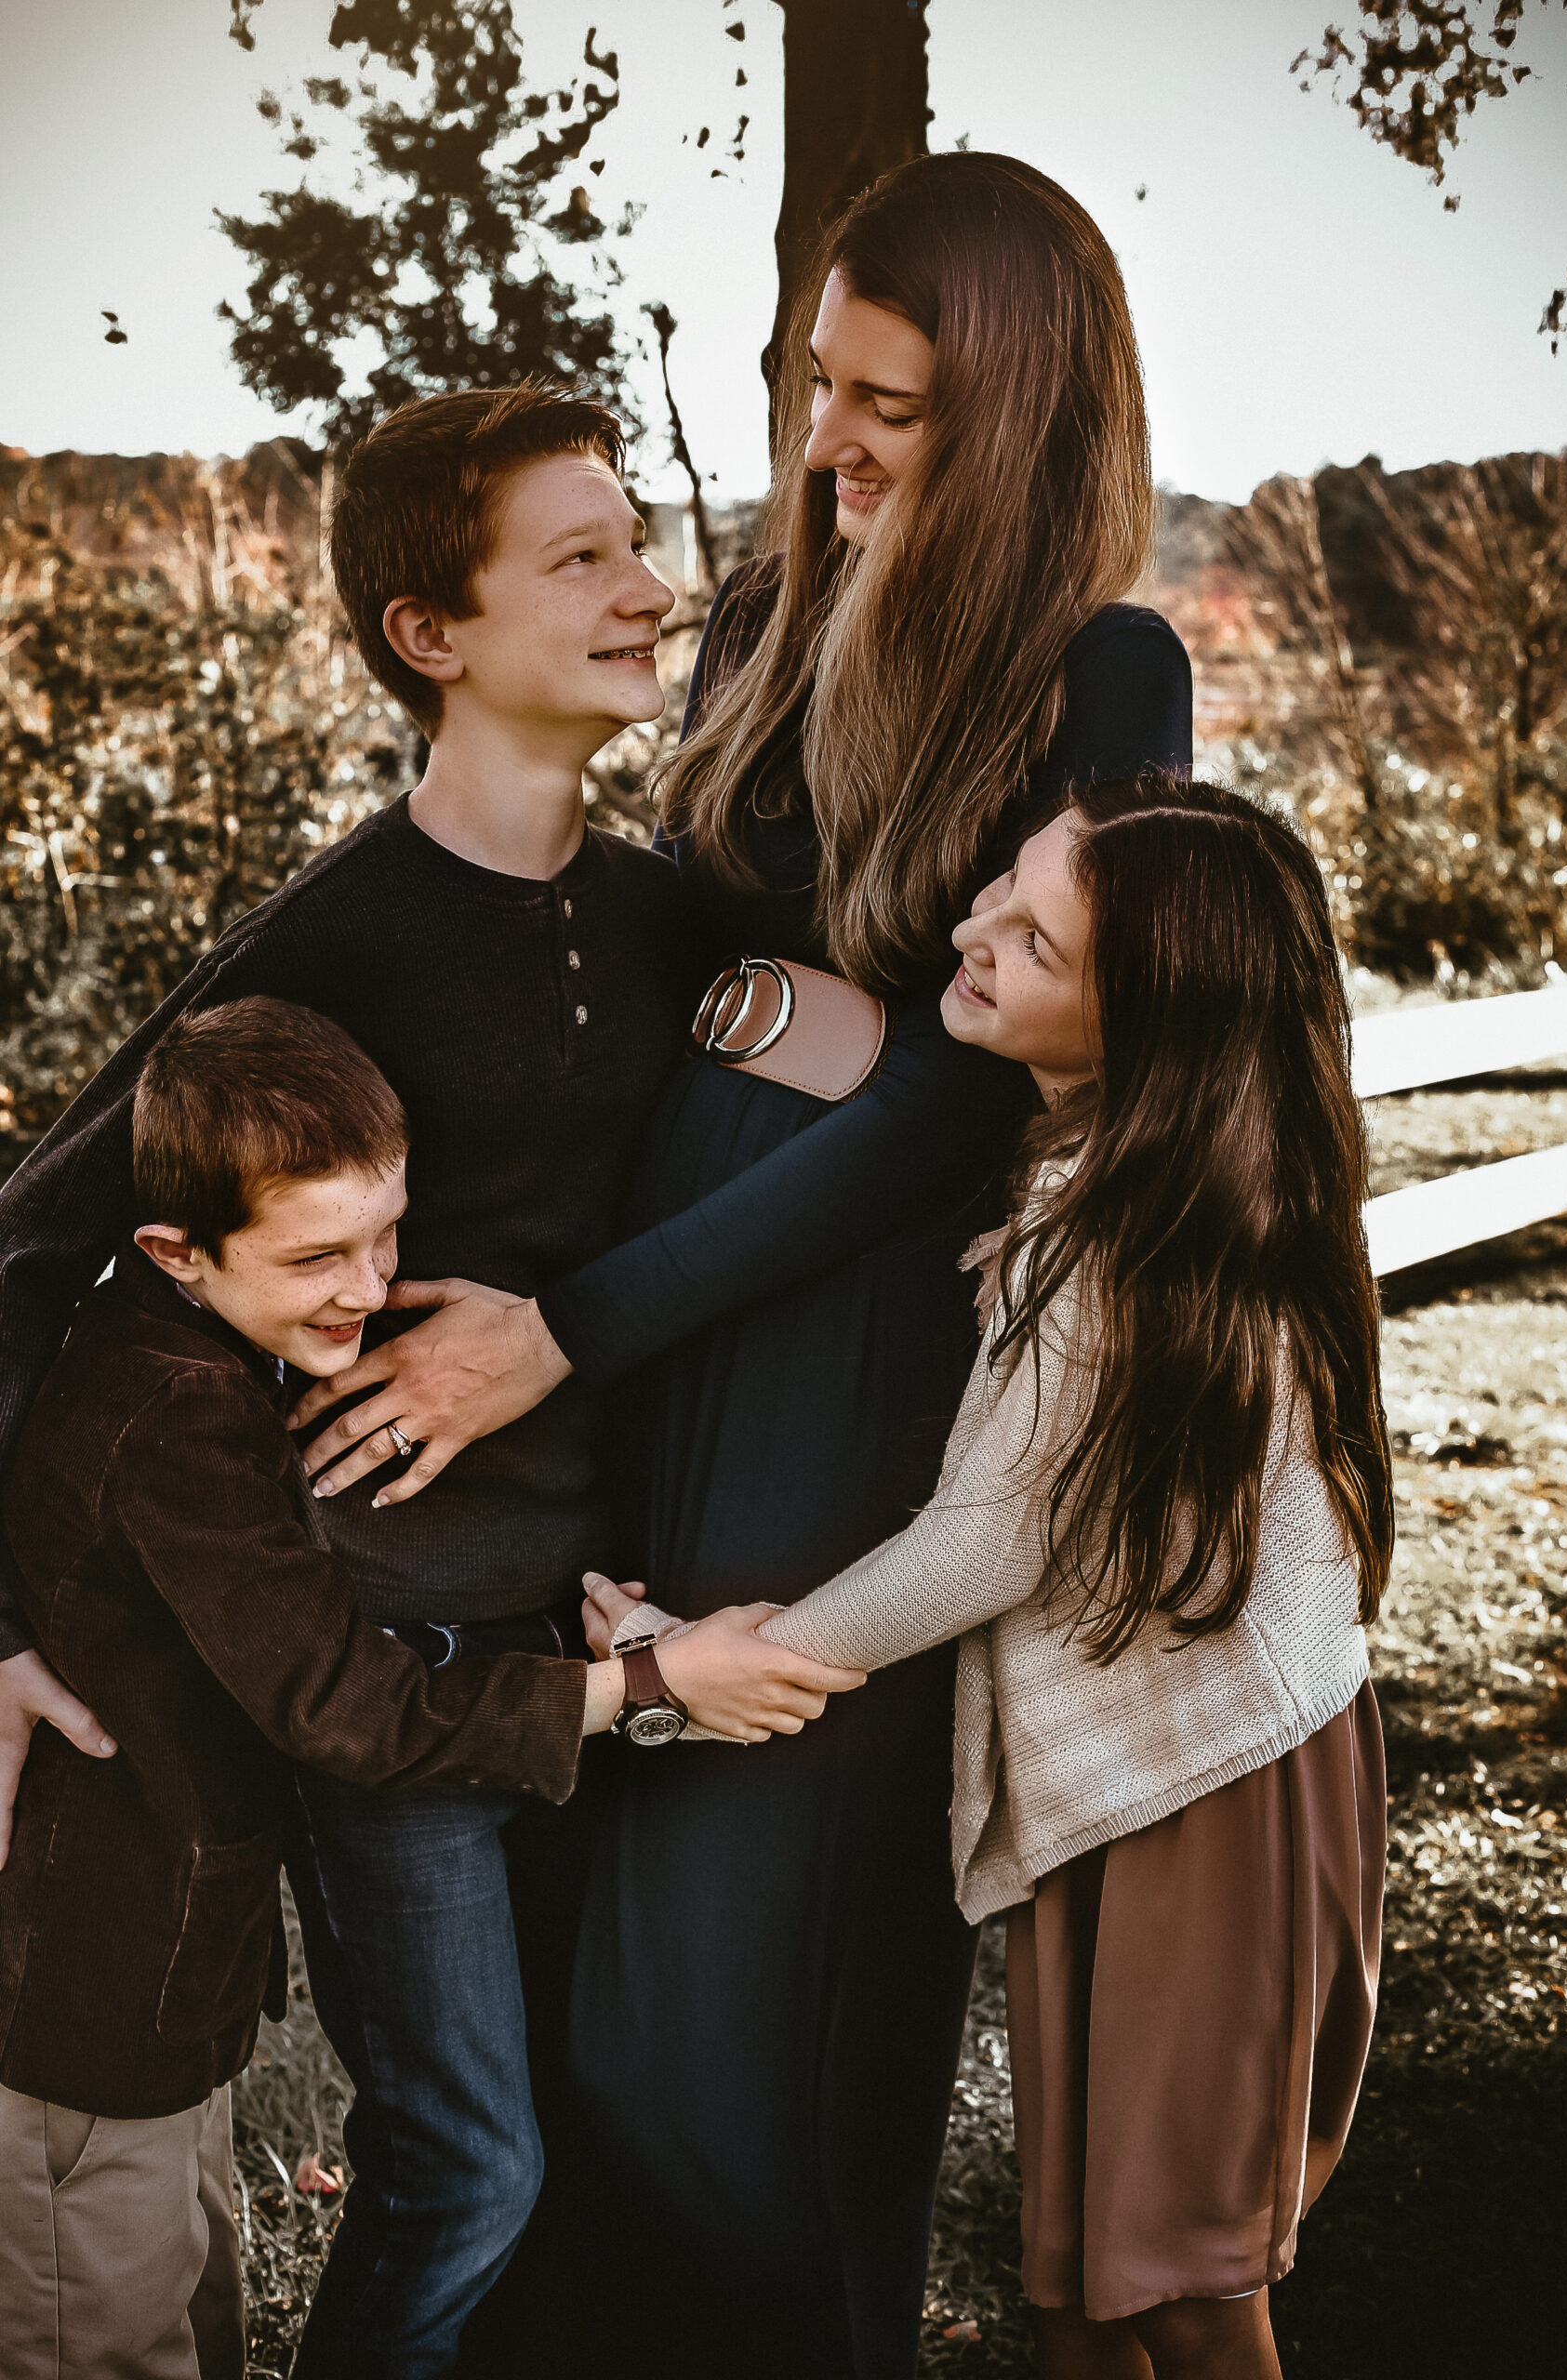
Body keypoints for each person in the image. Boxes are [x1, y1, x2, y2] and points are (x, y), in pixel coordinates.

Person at [294, 152, 1196, 2376]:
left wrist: (575, 1319)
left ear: (1016, 404)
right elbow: (702, 962)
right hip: (646, 1368)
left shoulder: (1103, 667)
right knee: (592, 1993)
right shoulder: (773, 628)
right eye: (814, 381)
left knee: (749, 2001)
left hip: (833, 1378)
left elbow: (990, 1084)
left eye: (886, 399)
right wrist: (805, 1022)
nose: (826, 437)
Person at [0, 380, 858, 2376]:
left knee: (581, 2144)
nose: (650, 586)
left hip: (583, 1614)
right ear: (429, 633)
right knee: (466, 2158)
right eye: (582, 556)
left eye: (636, 540)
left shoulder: (668, 918)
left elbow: (810, 1142)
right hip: (380, 1652)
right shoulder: (327, 947)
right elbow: (33, 1252)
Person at [592, 776, 1392, 2380]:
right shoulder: (1168, 1176)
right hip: (1168, 1783)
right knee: (1078, 2291)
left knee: (1176, 2286)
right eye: (1003, 892)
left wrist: (685, 1682)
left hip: (1201, 1796)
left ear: (1138, 1025)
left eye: (1034, 939)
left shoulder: (1115, 1244)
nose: (974, 932)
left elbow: (985, 1543)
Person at [0, 997, 841, 2380]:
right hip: (79, 2015)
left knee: (189, 2327)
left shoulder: (204, 1349)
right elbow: (348, 1707)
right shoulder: (172, 1415)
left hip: (163, 2003)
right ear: (173, 1251)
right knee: (104, 2346)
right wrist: (644, 1682)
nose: (368, 1282)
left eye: (387, 1232)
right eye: (318, 1253)